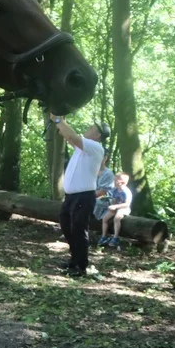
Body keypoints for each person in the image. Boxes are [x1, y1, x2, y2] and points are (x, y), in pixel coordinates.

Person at [51, 114, 109, 277]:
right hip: (72, 197)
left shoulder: (96, 147)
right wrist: (60, 119)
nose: (88, 128)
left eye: (92, 128)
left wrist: (57, 119)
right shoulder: (83, 146)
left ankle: (81, 266)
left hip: (83, 196)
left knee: (78, 229)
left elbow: (71, 136)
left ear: (98, 135)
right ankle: (74, 260)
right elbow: (68, 135)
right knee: (67, 227)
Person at [99, 172, 132, 247]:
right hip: (116, 207)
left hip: (124, 208)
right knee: (105, 218)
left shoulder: (126, 192)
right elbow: (114, 201)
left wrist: (116, 207)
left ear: (122, 182)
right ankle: (104, 236)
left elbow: (127, 204)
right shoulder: (115, 190)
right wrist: (112, 206)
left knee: (117, 218)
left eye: (116, 180)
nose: (114, 181)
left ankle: (115, 238)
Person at [92, 153, 115, 222]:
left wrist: (87, 196)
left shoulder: (108, 174)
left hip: (104, 199)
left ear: (105, 158)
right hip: (92, 196)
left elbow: (103, 192)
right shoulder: (91, 172)